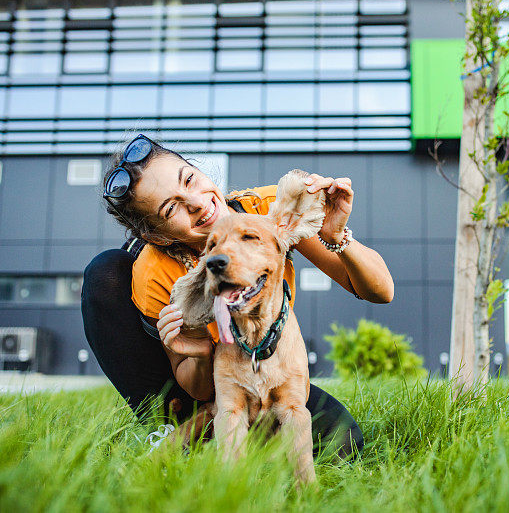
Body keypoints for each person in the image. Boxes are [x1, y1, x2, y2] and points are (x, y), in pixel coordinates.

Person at [81, 134, 394, 457]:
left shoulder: (269, 213)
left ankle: (223, 433)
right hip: (200, 383)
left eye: (189, 179)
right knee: (105, 271)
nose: (198, 203)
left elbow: (381, 291)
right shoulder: (154, 273)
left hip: (261, 369)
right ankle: (170, 427)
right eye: (171, 207)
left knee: (343, 442)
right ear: (156, 235)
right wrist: (199, 350)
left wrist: (336, 235)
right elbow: (199, 387)